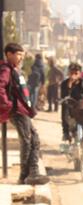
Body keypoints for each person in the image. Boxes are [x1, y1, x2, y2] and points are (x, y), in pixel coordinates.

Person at [0, 43, 49, 185]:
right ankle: (27, 175)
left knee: (34, 139)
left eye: (22, 54)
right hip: (16, 110)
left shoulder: (14, 69)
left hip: (22, 109)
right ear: (9, 54)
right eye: (18, 54)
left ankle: (31, 173)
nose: (21, 57)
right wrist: (7, 104)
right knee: (27, 140)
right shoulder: (6, 70)